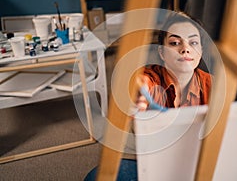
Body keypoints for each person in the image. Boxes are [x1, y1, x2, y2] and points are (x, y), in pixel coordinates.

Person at [84, 11, 212, 181]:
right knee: (96, 177)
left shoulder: (212, 85)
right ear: (161, 53)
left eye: (193, 42)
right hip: (156, 165)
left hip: (198, 165)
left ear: (201, 50)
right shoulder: (150, 77)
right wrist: (136, 95)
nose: (185, 49)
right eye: (174, 43)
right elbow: (142, 81)